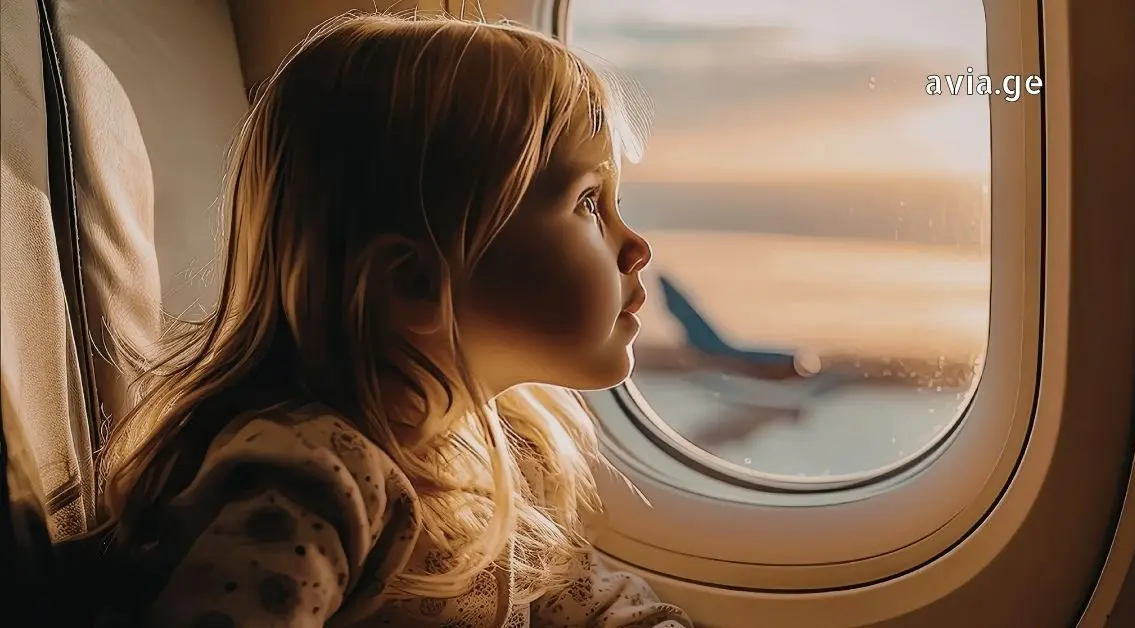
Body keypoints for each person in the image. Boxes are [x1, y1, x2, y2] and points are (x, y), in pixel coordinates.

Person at [86, 11, 692, 627]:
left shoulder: (489, 458)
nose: (635, 245)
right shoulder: (316, 479)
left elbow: (591, 605)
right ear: (416, 282)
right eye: (589, 202)